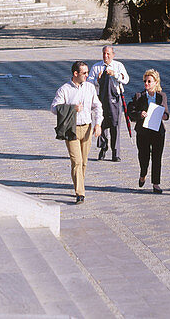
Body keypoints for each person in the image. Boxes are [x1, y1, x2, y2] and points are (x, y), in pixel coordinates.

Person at [51, 61, 102, 204]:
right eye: (84, 73)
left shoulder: (90, 88)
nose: (87, 75)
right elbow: (54, 108)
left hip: (87, 128)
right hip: (71, 129)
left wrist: (98, 124)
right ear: (75, 74)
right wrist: (72, 108)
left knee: (84, 162)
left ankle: (80, 184)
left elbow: (98, 106)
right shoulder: (64, 89)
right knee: (76, 161)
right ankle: (80, 193)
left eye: (87, 72)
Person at [129, 68, 169, 194]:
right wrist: (140, 114)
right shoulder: (139, 96)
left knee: (157, 158)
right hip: (143, 131)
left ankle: (156, 183)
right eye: (145, 81)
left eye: (149, 81)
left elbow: (167, 113)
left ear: (156, 83)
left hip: (157, 131)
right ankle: (143, 173)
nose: (146, 84)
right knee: (143, 156)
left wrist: (164, 115)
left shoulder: (161, 96)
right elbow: (131, 113)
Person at [87, 44, 130, 161]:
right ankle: (103, 148)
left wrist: (115, 74)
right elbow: (89, 82)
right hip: (100, 99)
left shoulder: (118, 65)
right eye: (104, 54)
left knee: (115, 125)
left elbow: (126, 79)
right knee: (101, 123)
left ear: (113, 55)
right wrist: (97, 80)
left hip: (115, 99)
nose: (106, 56)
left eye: (108, 54)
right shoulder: (96, 67)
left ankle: (116, 153)